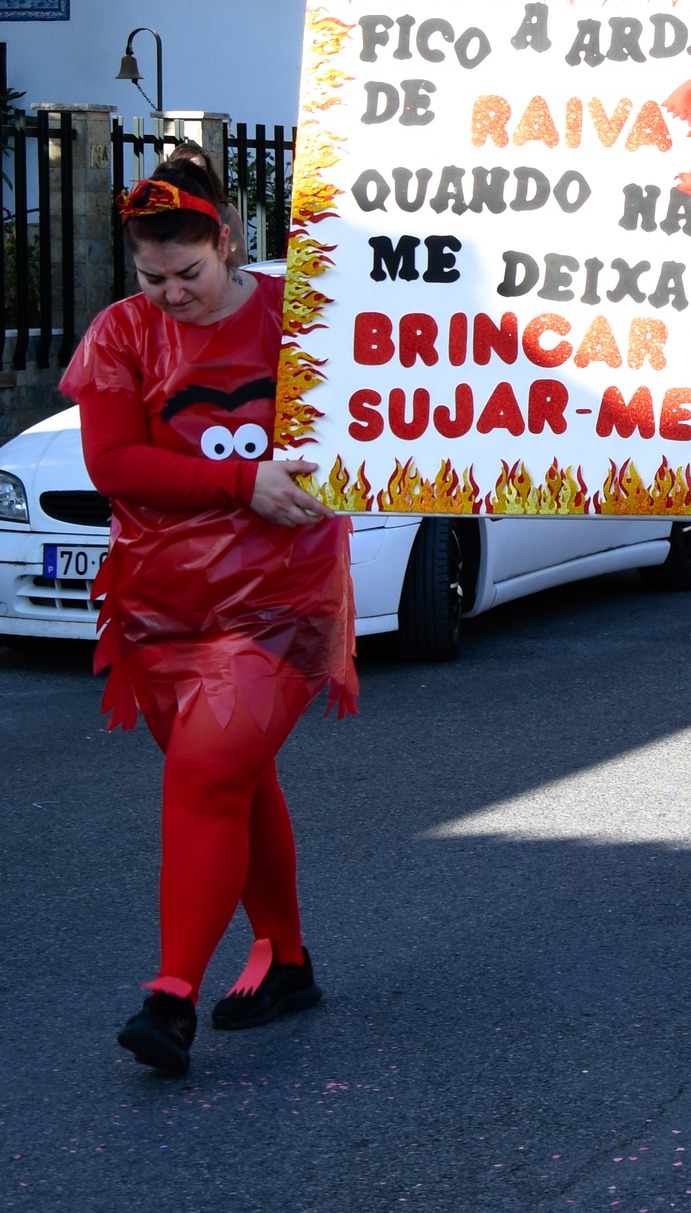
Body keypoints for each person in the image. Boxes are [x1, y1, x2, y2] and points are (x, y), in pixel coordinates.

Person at [61, 161, 354, 1077]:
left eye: (189, 271)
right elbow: (115, 463)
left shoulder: (300, 323)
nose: (172, 293)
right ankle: (287, 958)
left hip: (280, 597)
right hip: (160, 609)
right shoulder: (122, 333)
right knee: (236, 779)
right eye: (153, 277)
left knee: (206, 769)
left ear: (227, 240)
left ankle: (170, 996)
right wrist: (240, 481)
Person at [163, 142, 248, 267]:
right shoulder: (160, 212)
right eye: (189, 169)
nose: (197, 176)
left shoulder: (225, 212)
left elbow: (238, 264)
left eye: (201, 170)